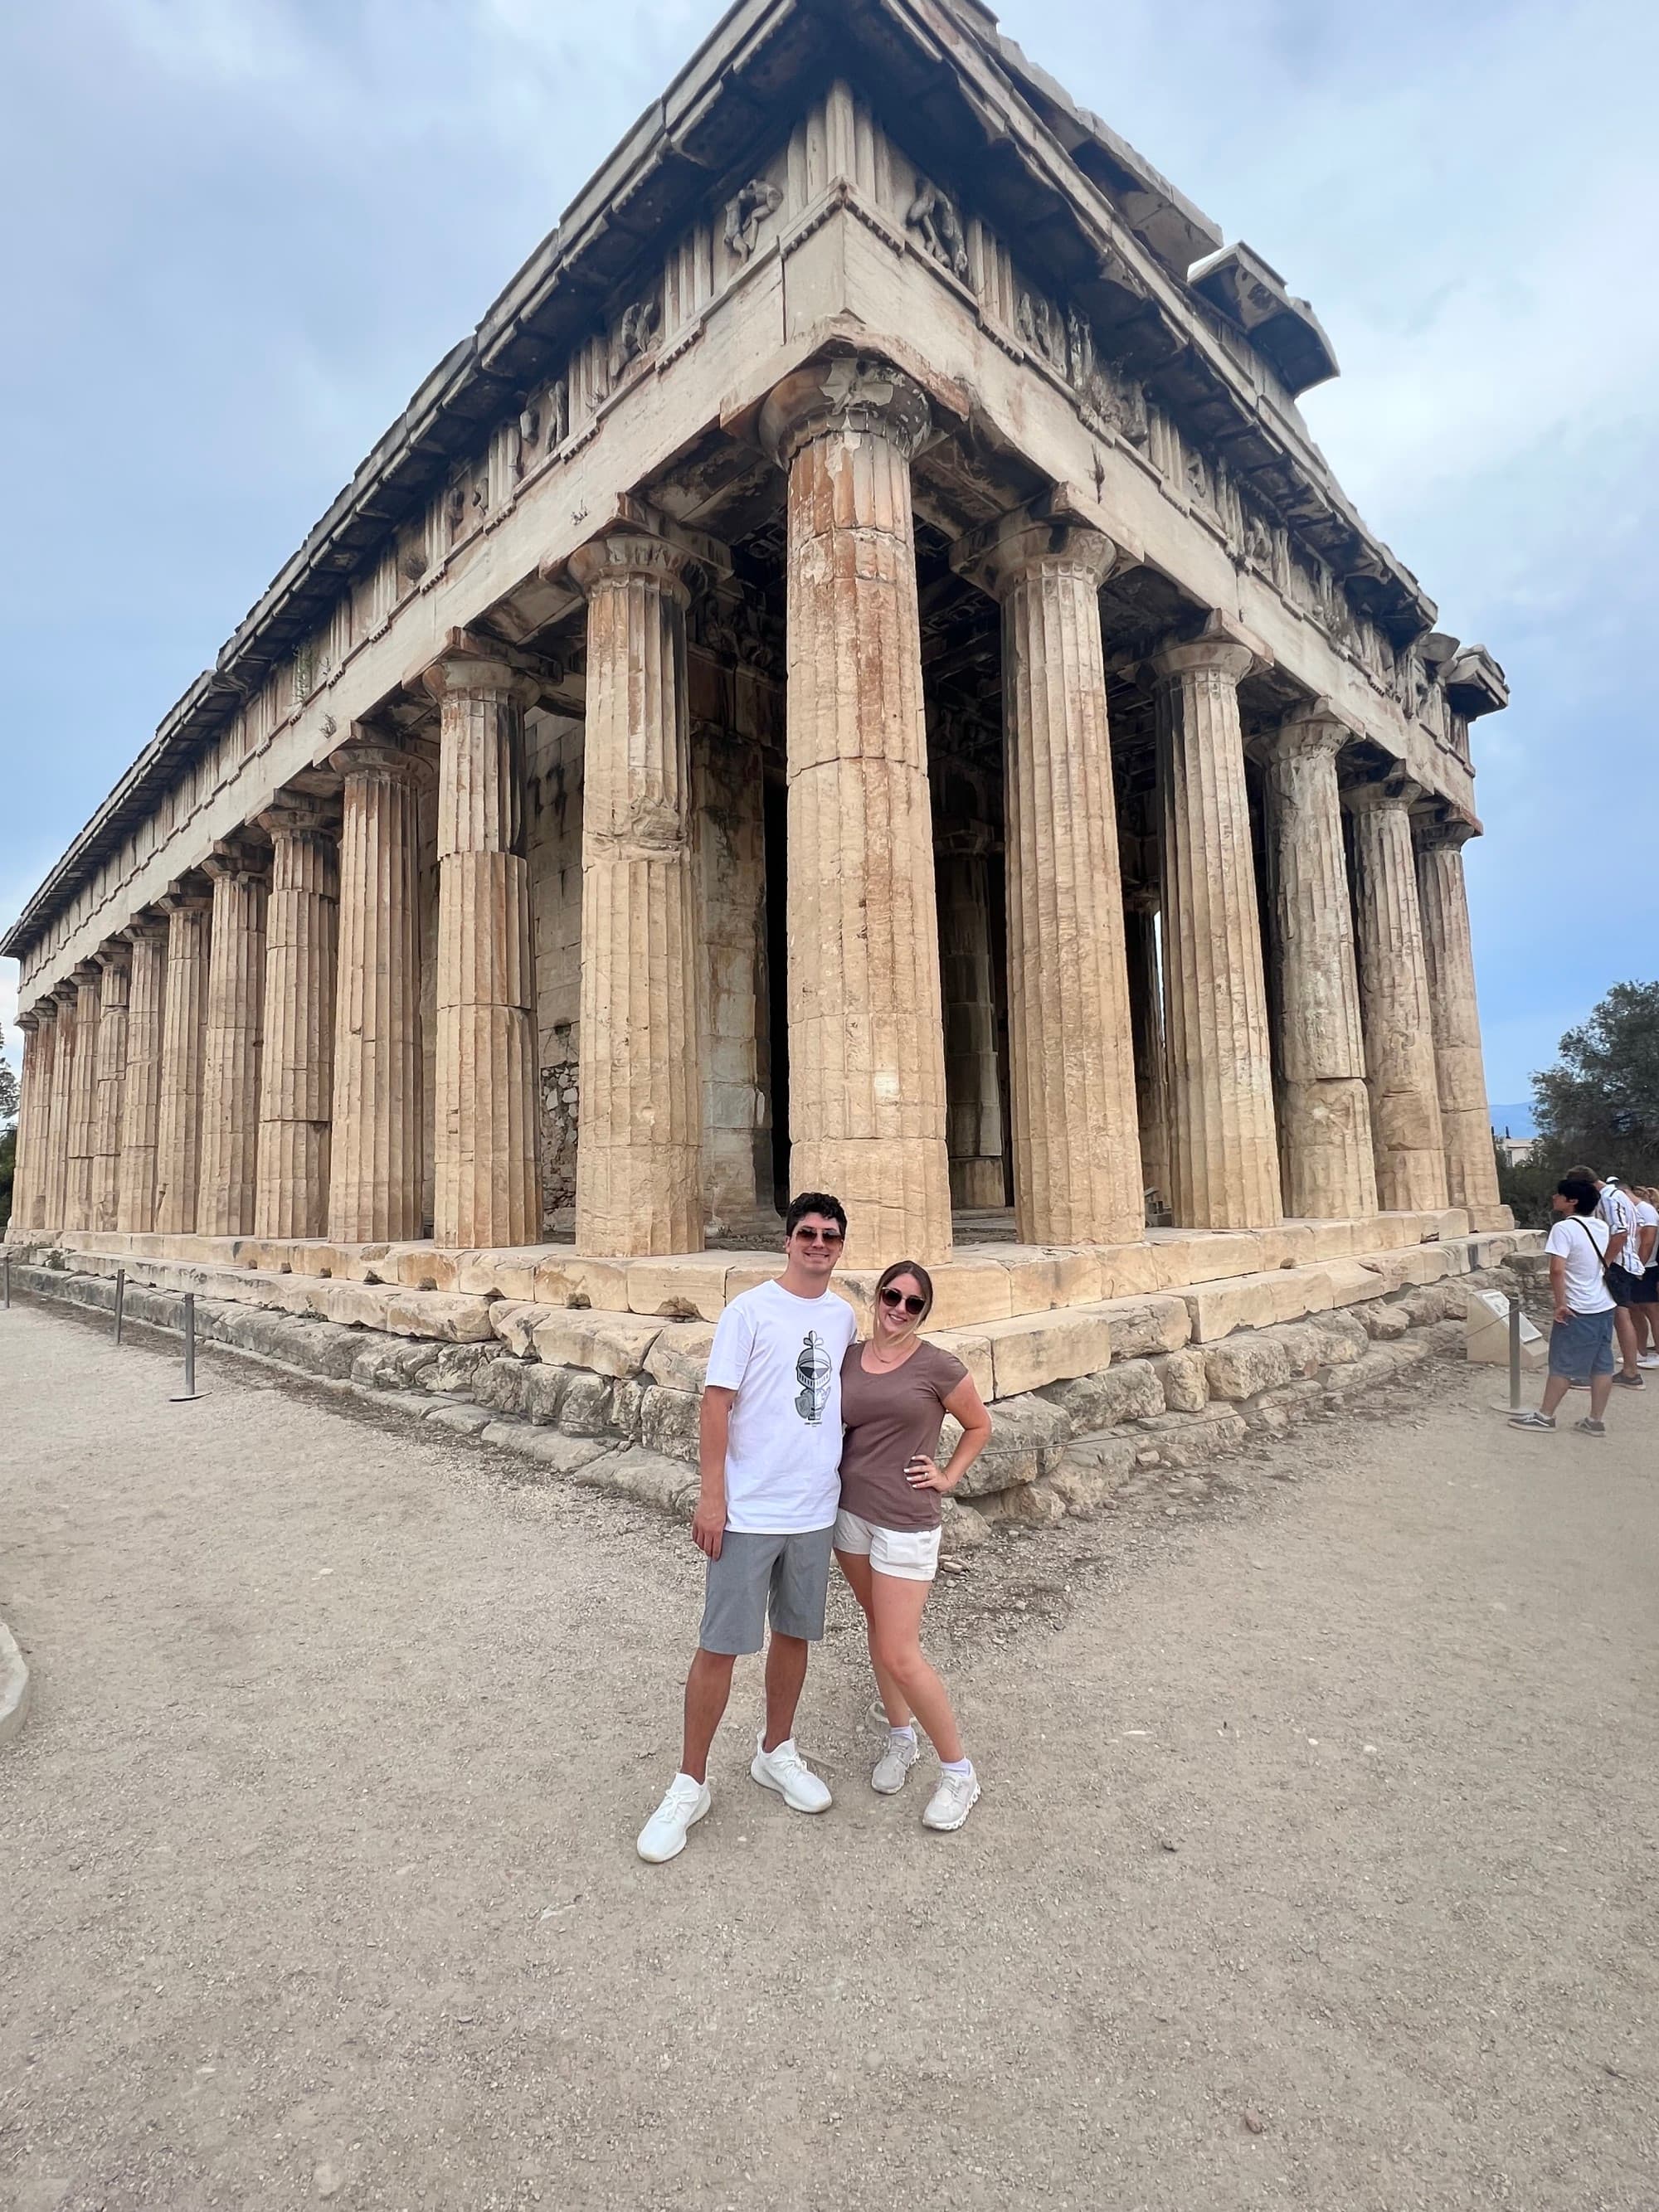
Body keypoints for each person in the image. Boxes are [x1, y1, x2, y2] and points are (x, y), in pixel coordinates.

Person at [636, 1194, 859, 1864]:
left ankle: (776, 1750)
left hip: (814, 1506)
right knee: (721, 1643)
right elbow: (717, 1402)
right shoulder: (749, 1310)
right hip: (752, 1507)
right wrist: (713, 1495)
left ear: (840, 1245)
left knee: (794, 1634)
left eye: (830, 1235)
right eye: (807, 1234)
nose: (818, 1243)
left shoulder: (845, 1315)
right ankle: (689, 1783)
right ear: (787, 1241)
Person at [834, 1259, 994, 1832]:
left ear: (924, 1311)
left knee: (902, 1650)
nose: (899, 1309)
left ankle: (959, 1771)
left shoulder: (937, 1365)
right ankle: (901, 1738)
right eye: (891, 1296)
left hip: (906, 1518)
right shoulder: (851, 1356)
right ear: (875, 1297)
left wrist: (949, 1475)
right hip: (850, 1513)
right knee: (878, 1630)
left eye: (913, 1303)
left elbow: (979, 1425)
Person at [1511, 1175, 1617, 1436]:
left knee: (1563, 1363)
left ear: (1572, 1201)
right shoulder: (1601, 1226)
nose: (1554, 1198)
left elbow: (1557, 1270)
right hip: (1604, 1302)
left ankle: (1545, 1416)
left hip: (1578, 1305)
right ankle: (1595, 1420)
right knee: (1602, 1364)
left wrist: (1560, 1303)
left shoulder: (1563, 1229)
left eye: (1559, 1195)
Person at [1573, 1168, 1647, 1388]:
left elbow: (1621, 1233)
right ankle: (1629, 1371)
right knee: (1619, 1316)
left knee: (1615, 1317)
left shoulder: (1608, 1199)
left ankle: (1628, 1371)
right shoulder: (1620, 1196)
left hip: (1617, 1265)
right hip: (1625, 1262)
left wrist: (1604, 1263)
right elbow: (1638, 1227)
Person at [1630, 1184, 1659, 1367]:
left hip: (1647, 1266)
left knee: (1652, 1311)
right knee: (1636, 1309)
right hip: (1641, 1265)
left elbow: (1648, 1243)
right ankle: (1641, 1351)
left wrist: (1638, 1266)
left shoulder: (1648, 1214)